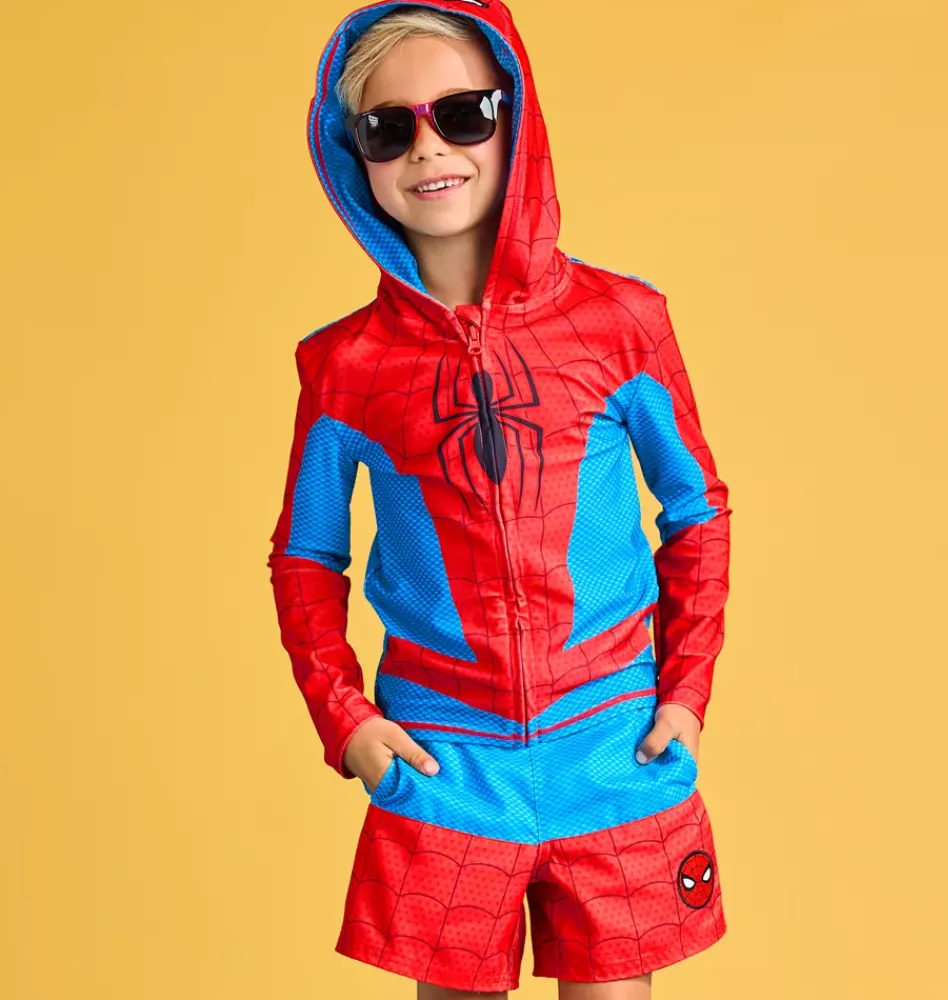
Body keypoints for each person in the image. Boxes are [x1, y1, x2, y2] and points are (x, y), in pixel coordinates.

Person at [266, 2, 732, 997]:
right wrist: (344, 718)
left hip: (611, 739)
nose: (429, 148)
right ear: (352, 155)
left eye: (463, 114)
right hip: (444, 761)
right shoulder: (344, 367)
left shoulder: (620, 322)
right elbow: (305, 556)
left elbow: (696, 510)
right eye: (388, 128)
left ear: (515, 118)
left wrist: (686, 691)